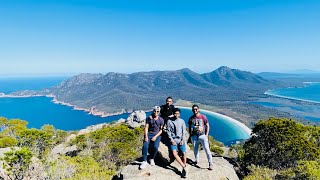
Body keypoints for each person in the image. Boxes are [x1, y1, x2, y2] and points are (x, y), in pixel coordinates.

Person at [188, 104, 213, 170]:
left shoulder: (203, 117)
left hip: (202, 135)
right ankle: (197, 160)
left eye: (196, 109)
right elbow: (190, 127)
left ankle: (210, 163)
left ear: (198, 109)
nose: (195, 110)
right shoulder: (191, 118)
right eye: (193, 109)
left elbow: (207, 125)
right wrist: (190, 135)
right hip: (194, 136)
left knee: (207, 149)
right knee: (195, 150)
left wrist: (206, 135)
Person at [167, 108, 188, 177]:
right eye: (175, 113)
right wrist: (172, 140)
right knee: (174, 153)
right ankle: (184, 167)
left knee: (184, 154)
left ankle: (183, 169)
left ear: (179, 114)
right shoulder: (169, 121)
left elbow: (184, 131)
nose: (176, 115)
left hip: (181, 140)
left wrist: (183, 140)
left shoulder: (182, 121)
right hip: (173, 140)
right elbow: (168, 132)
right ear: (173, 113)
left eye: (178, 113)